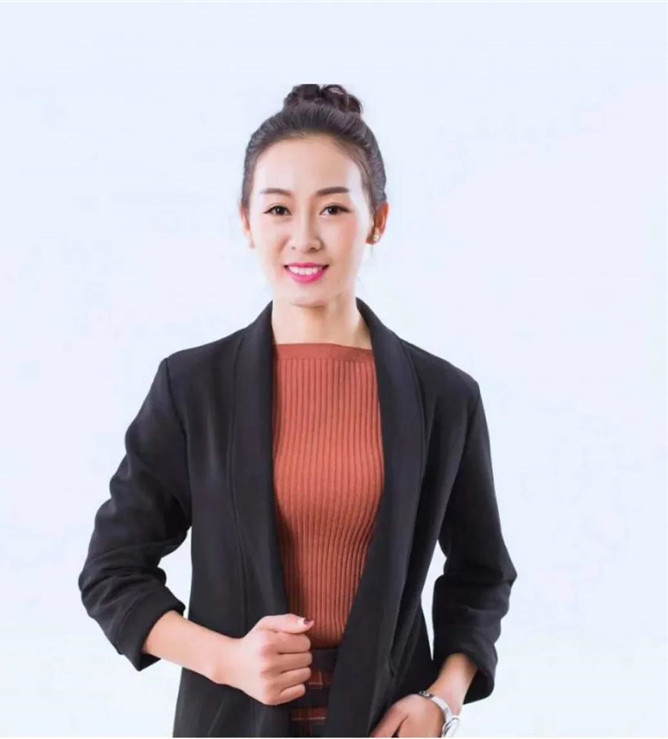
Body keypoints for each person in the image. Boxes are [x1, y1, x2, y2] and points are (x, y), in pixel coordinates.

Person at [78, 83, 517, 738]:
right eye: (279, 209)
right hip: (234, 723)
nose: (304, 238)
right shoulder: (192, 387)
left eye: (333, 208)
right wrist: (226, 659)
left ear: (378, 220)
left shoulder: (443, 397)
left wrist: (442, 700)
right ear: (247, 222)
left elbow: (481, 575)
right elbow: (113, 571)